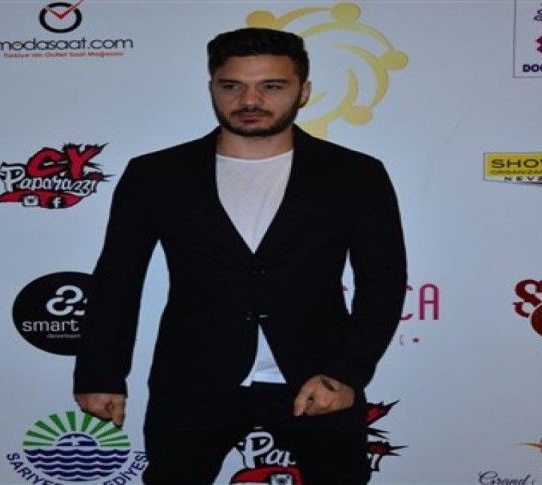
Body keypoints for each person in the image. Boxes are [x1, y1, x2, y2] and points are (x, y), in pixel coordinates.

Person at [74, 27, 407, 484]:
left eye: (272, 86)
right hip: (193, 378)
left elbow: (383, 282)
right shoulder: (156, 175)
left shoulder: (355, 175)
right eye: (232, 86)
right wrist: (100, 374)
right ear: (212, 88)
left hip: (319, 378)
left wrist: (346, 373)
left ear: (303, 91)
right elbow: (118, 278)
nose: (250, 100)